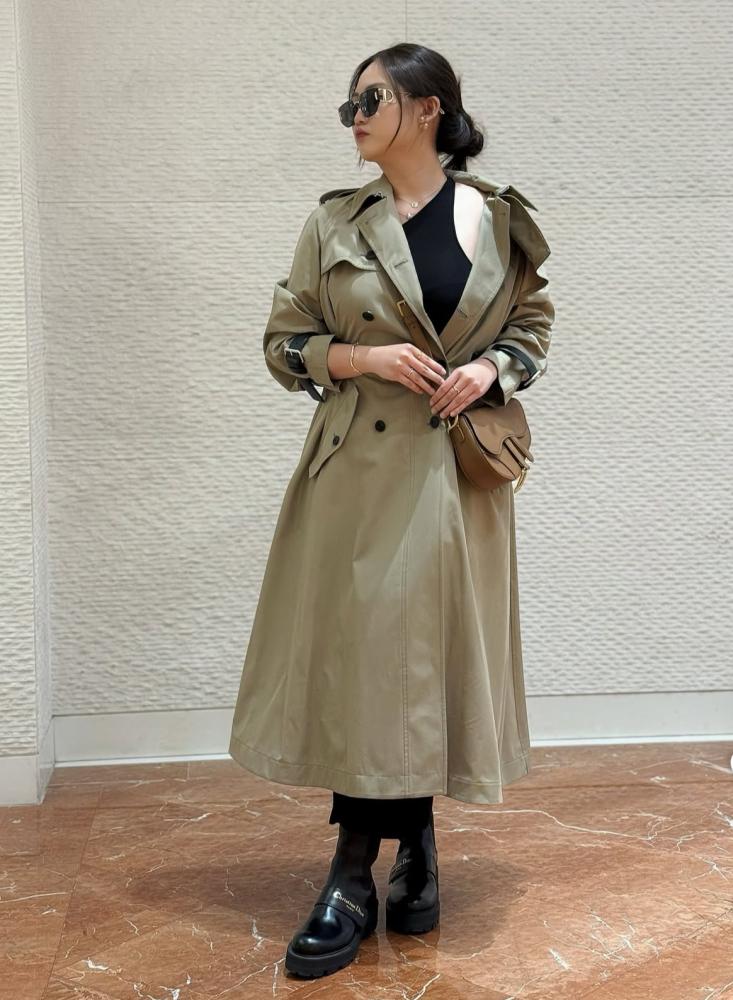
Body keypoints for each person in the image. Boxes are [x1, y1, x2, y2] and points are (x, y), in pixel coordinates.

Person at [228, 42, 555, 979]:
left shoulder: (498, 219)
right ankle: (363, 865)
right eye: (349, 104)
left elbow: (532, 327)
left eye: (368, 99)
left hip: (457, 479)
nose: (353, 118)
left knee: (421, 668)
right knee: (370, 667)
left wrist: (490, 369)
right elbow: (283, 342)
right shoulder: (335, 221)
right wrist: (361, 358)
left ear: (427, 108)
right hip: (358, 482)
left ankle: (393, 856)